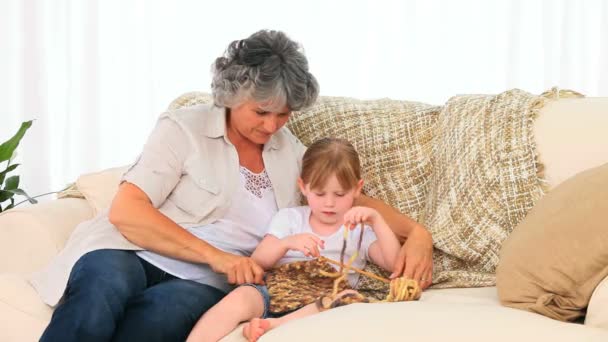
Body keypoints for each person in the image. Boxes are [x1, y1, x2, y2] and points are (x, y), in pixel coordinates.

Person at [31, 29, 432, 342]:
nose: (272, 125)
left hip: (203, 281)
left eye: (284, 115)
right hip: (128, 251)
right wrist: (218, 257)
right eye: (261, 112)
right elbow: (127, 211)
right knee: (100, 291)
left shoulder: (289, 151)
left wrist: (417, 235)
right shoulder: (182, 129)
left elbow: (349, 197)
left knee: (156, 322)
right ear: (230, 93)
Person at [187, 138, 403, 342]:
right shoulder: (290, 218)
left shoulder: (359, 230)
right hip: (275, 289)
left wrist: (377, 220)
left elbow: (393, 264)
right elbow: (259, 260)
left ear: (357, 189)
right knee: (241, 296)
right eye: (319, 194)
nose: (329, 203)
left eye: (339, 195)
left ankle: (274, 325)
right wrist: (286, 243)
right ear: (303, 187)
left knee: (346, 297)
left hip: (321, 301)